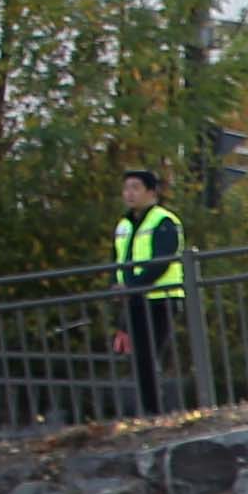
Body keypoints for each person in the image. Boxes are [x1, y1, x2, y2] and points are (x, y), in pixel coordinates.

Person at [109, 168, 189, 411]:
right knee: (140, 358)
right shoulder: (124, 224)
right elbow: (117, 259)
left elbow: (161, 261)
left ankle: (154, 411)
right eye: (126, 188)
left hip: (161, 297)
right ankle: (150, 410)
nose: (129, 193)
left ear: (151, 192)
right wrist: (116, 285)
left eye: (135, 187)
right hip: (134, 299)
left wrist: (131, 287)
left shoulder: (164, 221)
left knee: (149, 354)